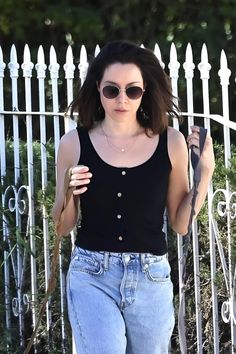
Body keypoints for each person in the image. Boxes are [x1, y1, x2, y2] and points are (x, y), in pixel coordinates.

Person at [52, 40, 215, 354]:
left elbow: (180, 224)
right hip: (91, 274)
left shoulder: (171, 142)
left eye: (133, 90)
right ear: (98, 88)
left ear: (146, 92)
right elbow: (62, 226)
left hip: (150, 277)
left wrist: (204, 173)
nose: (122, 99)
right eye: (112, 90)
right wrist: (69, 191)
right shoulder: (73, 143)